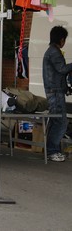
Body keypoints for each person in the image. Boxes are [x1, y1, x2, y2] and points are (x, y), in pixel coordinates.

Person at [42, 25, 72, 162]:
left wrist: (66, 88)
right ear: (61, 39)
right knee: (61, 122)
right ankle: (52, 151)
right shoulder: (54, 52)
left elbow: (58, 73)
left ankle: (51, 150)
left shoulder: (52, 51)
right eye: (64, 39)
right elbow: (62, 69)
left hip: (55, 91)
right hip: (55, 93)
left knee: (56, 121)